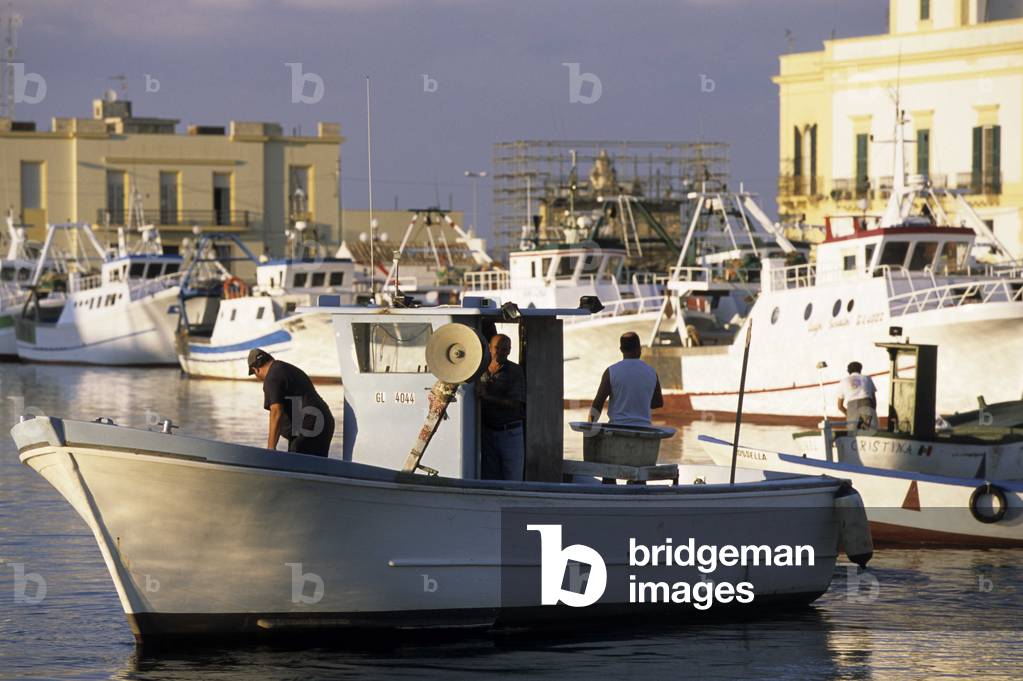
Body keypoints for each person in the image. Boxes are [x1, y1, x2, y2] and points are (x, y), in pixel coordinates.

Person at [248, 348, 335, 456]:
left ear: (256, 369)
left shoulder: (272, 377)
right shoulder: (284, 369)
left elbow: (276, 412)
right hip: (323, 423)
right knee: (312, 468)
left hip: (310, 427)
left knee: (298, 466)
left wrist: (270, 449)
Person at [477, 334, 525, 480]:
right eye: (497, 348)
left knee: (513, 479)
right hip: (487, 433)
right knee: (488, 478)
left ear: (510, 351)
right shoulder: (479, 369)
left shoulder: (515, 371)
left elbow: (515, 402)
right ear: (490, 348)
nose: (501, 352)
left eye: (506, 349)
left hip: (510, 433)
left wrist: (487, 396)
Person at [589, 332, 663, 425]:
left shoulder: (611, 372)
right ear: (640, 349)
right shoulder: (652, 372)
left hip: (617, 429)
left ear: (621, 350)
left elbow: (598, 403)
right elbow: (658, 403)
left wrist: (590, 429)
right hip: (644, 429)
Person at [837, 361, 878, 432]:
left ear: (848, 371)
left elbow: (839, 406)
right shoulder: (867, 378)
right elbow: (873, 399)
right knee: (866, 432)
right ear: (860, 370)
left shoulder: (843, 381)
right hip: (866, 404)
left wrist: (848, 415)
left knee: (853, 434)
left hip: (852, 406)